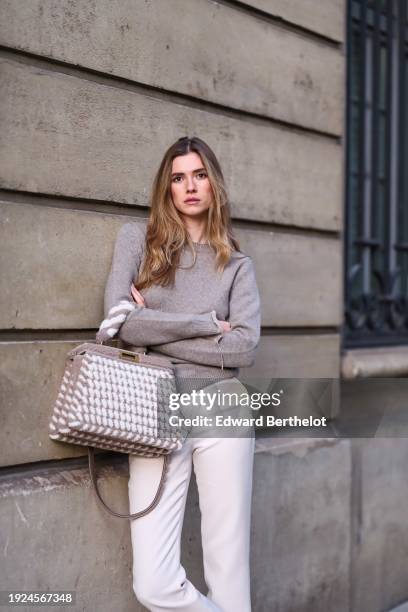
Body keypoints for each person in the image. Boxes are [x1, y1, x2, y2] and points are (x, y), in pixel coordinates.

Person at [103, 136, 261, 611]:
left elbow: (244, 347)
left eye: (198, 175)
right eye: (178, 177)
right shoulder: (138, 241)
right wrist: (204, 326)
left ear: (213, 184)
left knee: (228, 571)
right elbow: (120, 325)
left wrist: (153, 327)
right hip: (153, 408)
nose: (189, 186)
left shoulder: (237, 266)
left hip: (222, 408)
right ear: (166, 188)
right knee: (153, 582)